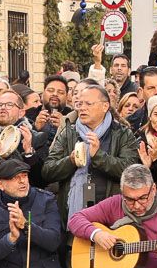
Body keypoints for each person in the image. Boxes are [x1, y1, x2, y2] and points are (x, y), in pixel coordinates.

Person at [43, 82, 140, 222]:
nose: (82, 108)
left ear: (105, 106)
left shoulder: (122, 133)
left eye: (88, 104)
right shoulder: (69, 132)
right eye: (80, 104)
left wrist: (99, 156)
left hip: (110, 218)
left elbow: (130, 171)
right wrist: (70, 161)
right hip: (72, 214)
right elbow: (48, 171)